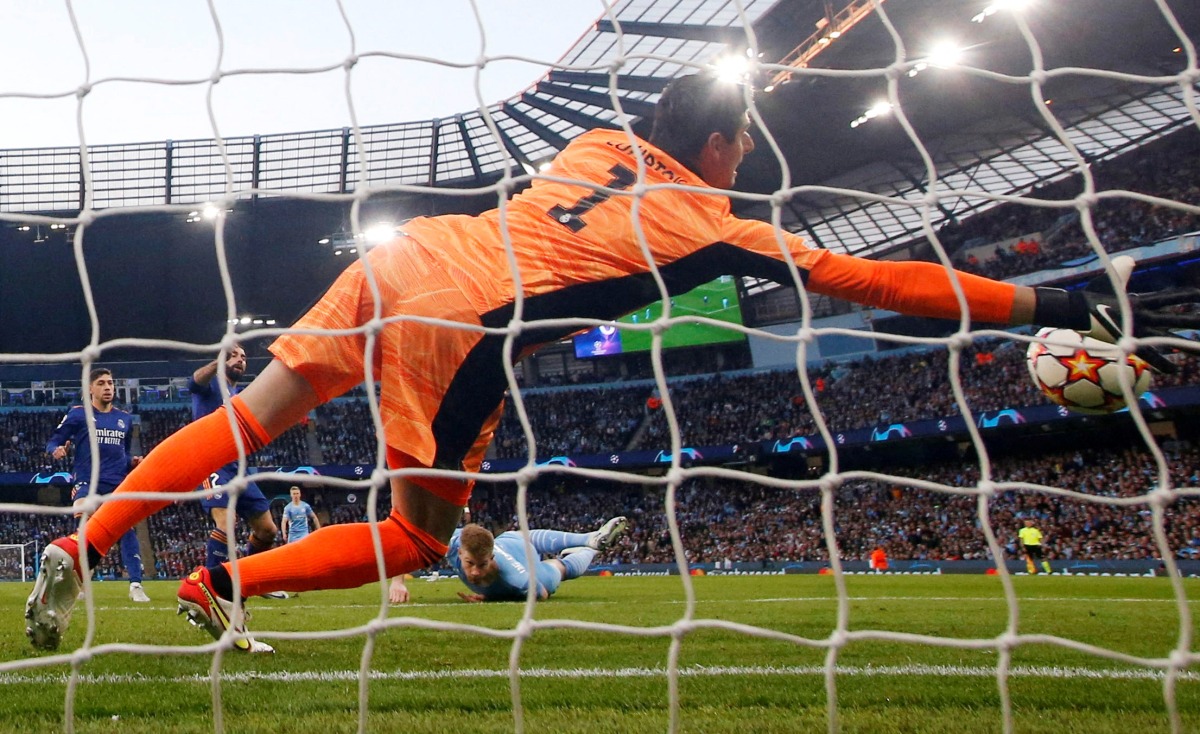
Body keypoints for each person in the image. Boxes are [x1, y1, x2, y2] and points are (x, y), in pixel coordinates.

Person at [25, 72, 1199, 653]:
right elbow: (876, 282)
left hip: (414, 253)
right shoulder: (722, 223)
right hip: (470, 320)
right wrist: (1055, 293)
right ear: (726, 143)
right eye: (741, 146)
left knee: (254, 414)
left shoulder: (595, 139)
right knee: (418, 537)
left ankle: (83, 542)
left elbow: (635, 161)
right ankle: (223, 584)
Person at [43, 368, 149, 603]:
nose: (108, 387)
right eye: (101, 383)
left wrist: (133, 461)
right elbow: (53, 440)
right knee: (84, 518)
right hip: (87, 481)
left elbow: (123, 452)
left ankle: (136, 585)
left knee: (126, 529)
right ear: (90, 389)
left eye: (110, 383)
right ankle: (80, 579)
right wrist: (56, 450)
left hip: (116, 483)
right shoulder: (78, 414)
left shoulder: (124, 418)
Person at [188, 347, 281, 570]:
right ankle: (208, 586)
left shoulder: (239, 394)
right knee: (226, 523)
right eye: (234, 356)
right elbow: (193, 383)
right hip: (212, 462)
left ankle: (249, 577)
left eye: (244, 357)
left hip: (238, 467)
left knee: (268, 529)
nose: (240, 360)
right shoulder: (213, 382)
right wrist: (216, 362)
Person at [433, 517, 626, 603]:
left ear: (491, 558)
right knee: (523, 535)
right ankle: (589, 539)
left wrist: (493, 597)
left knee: (561, 568)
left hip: (528, 565)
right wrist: (400, 582)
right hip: (512, 540)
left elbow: (540, 594)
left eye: (482, 564)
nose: (475, 572)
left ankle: (591, 548)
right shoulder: (450, 542)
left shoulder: (516, 578)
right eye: (470, 563)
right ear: (459, 553)